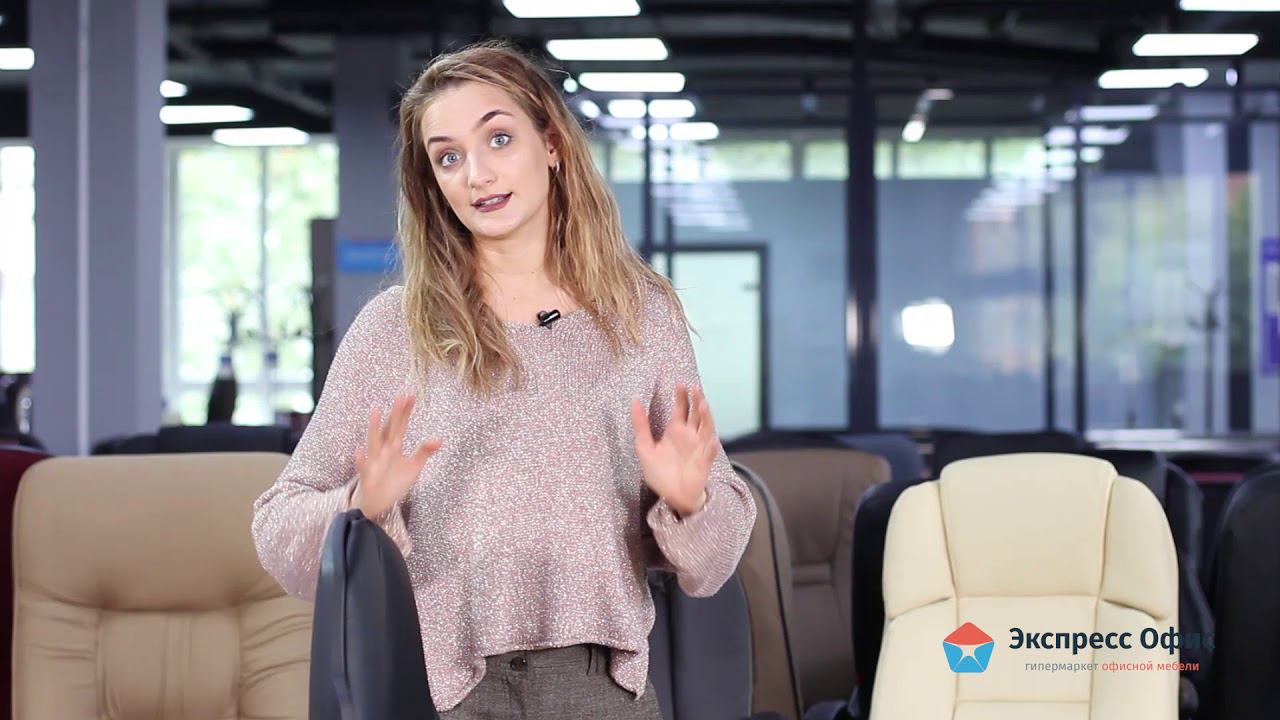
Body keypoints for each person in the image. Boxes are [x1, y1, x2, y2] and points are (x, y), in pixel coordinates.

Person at [250, 39, 756, 720]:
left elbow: (714, 564)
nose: (477, 174)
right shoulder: (395, 328)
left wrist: (692, 502)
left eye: (498, 139)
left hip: (599, 687)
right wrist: (359, 505)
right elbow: (278, 529)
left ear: (552, 144)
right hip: (438, 687)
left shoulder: (641, 314)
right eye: (448, 157)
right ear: (432, 182)